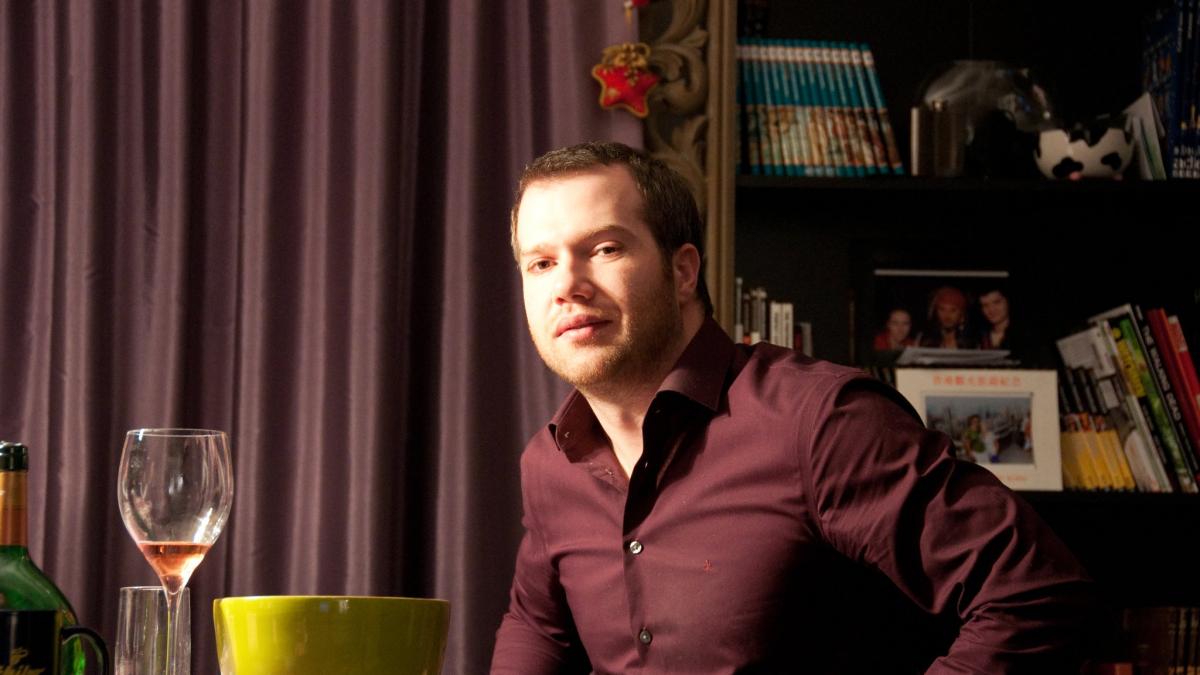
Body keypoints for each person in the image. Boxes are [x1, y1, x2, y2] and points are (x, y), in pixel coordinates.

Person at [492, 141, 1096, 673]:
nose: (565, 285)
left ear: (683, 271)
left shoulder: (822, 421)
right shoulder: (548, 464)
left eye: (604, 249)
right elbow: (538, 630)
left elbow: (1035, 593)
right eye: (540, 263)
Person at [917, 285, 977, 349]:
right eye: (942, 309)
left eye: (953, 310)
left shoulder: (972, 342)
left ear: (962, 315)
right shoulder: (923, 339)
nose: (947, 315)